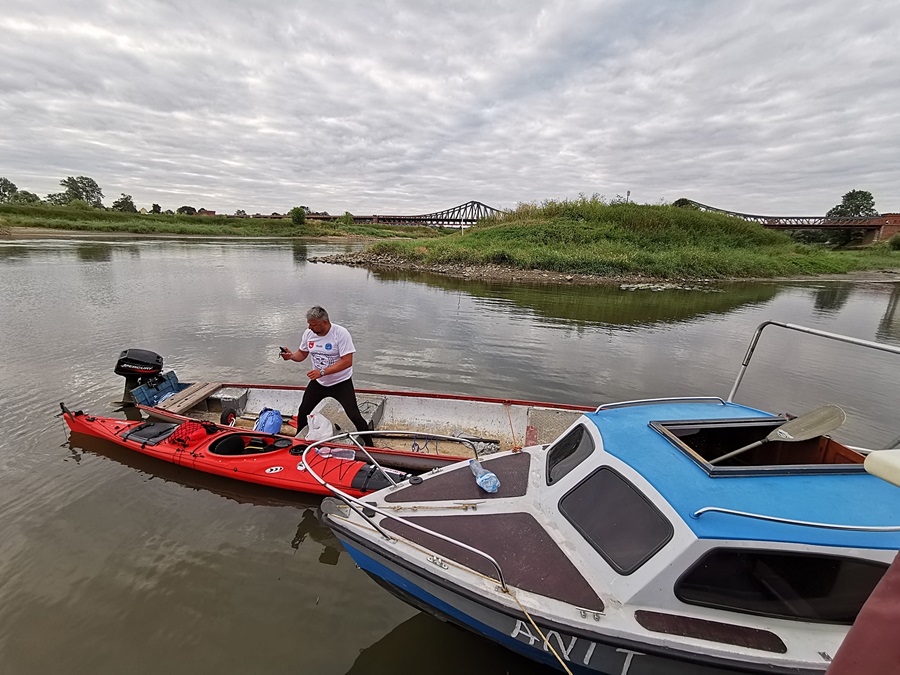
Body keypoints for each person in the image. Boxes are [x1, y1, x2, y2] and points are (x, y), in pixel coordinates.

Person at [280, 306, 371, 440]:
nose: (310, 328)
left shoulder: (340, 333)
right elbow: (302, 354)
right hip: (318, 383)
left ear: (325, 322)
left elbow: (347, 361)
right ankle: (298, 441)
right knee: (303, 411)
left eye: (313, 325)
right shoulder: (308, 334)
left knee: (354, 415)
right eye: (309, 324)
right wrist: (291, 356)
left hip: (341, 382)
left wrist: (322, 372)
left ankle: (370, 445)